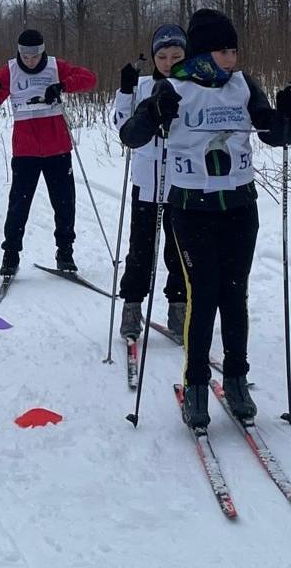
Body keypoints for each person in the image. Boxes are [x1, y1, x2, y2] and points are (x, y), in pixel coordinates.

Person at [121, 8, 291, 429]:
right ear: (203, 52)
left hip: (240, 205)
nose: (231, 58)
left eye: (234, 50)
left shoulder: (242, 85)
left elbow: (274, 133)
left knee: (236, 296)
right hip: (190, 207)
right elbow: (132, 136)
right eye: (223, 51)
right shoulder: (174, 86)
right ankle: (196, 385)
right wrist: (152, 113)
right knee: (202, 296)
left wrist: (287, 119)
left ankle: (236, 379)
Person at [0, 28, 97, 275]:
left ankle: (65, 253)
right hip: (26, 151)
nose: (30, 60)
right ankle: (10, 255)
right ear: (19, 52)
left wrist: (62, 85)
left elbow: (89, 79)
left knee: (64, 204)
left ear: (42, 52)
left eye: (34, 55)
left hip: (57, 148)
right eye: (25, 55)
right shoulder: (10, 70)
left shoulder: (56, 66)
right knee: (18, 206)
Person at [110, 24, 189, 343]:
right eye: (163, 56)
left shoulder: (195, 86)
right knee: (141, 250)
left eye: (176, 55)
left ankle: (178, 305)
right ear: (154, 57)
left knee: (180, 251)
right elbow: (121, 125)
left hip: (184, 182)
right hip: (147, 181)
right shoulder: (143, 87)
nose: (169, 61)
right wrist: (125, 90)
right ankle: (132, 305)